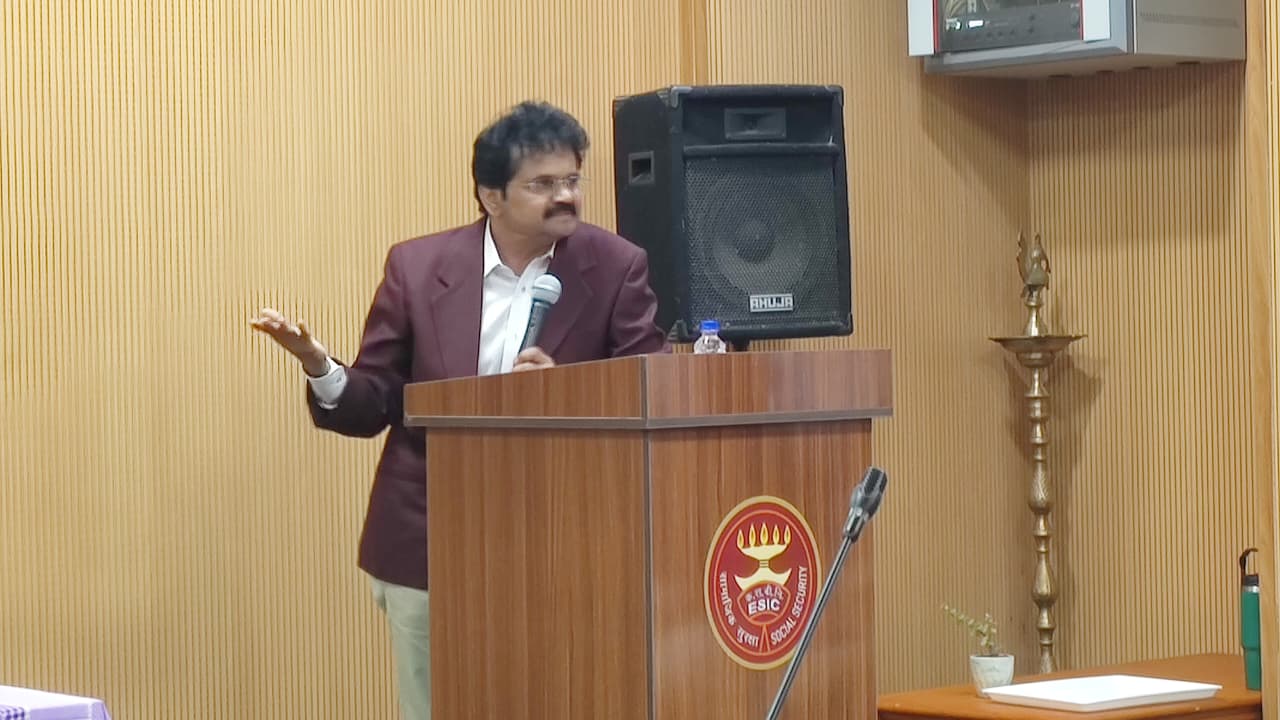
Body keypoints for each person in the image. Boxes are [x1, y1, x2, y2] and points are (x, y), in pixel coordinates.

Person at [250, 100, 669, 720]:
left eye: (572, 179)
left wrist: (569, 393)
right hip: (432, 539)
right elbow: (378, 401)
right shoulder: (419, 268)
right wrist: (319, 365)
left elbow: (651, 388)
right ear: (490, 196)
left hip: (567, 539)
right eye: (542, 184)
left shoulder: (615, 266)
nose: (566, 197)